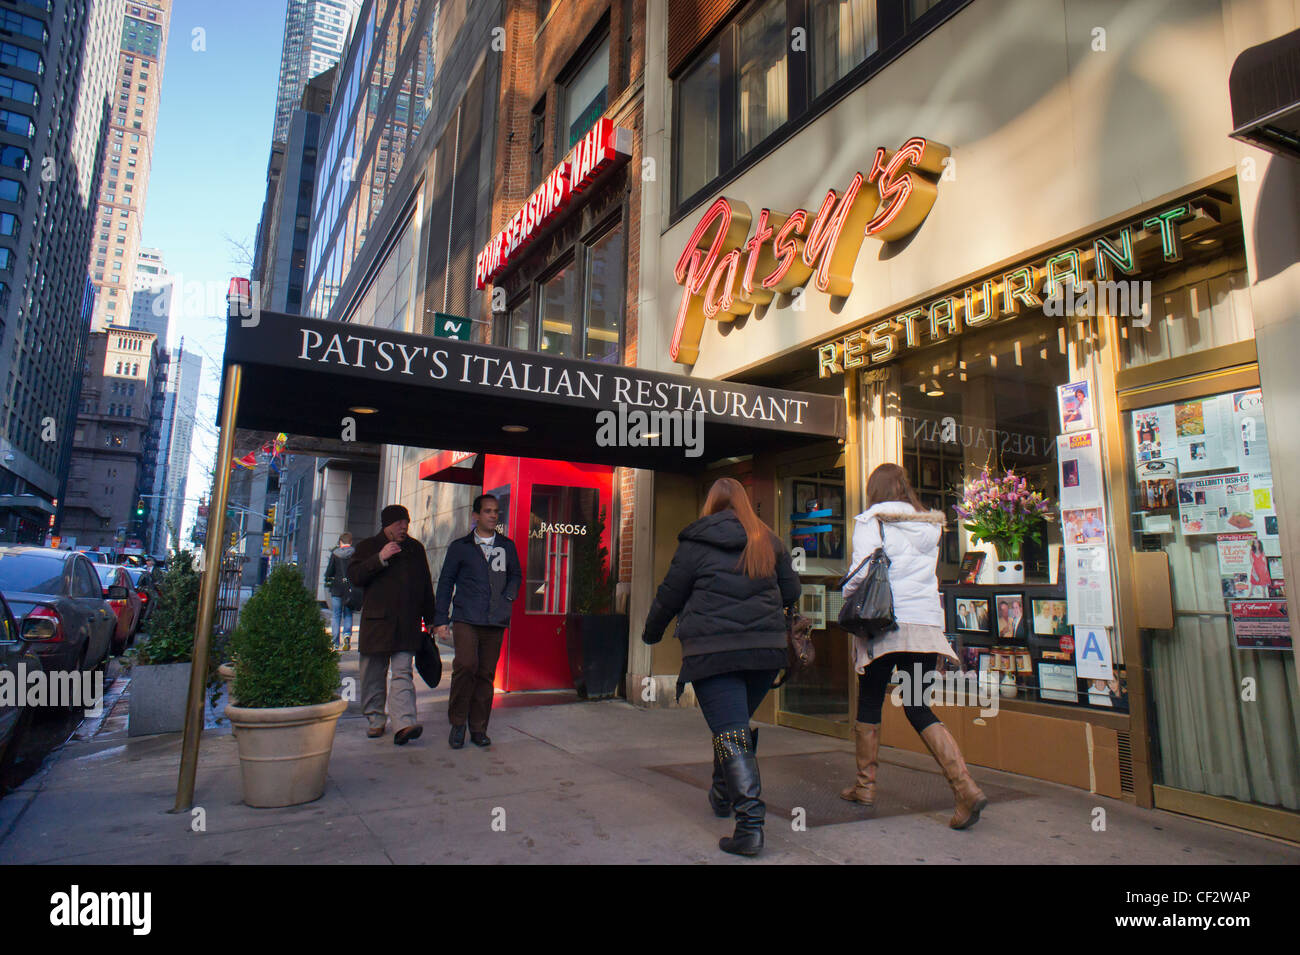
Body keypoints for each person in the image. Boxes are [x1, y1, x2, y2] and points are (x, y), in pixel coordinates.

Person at [642, 477, 800, 857]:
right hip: (765, 654)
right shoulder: (769, 540)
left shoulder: (695, 542)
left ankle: (750, 826)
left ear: (711, 504)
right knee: (733, 726)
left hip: (714, 653)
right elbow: (792, 592)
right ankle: (720, 792)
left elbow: (670, 594)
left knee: (730, 732)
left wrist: (651, 633)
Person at [839, 463, 988, 829]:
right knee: (918, 706)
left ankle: (866, 786)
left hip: (883, 624)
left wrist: (846, 604)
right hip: (925, 624)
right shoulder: (929, 525)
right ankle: (964, 787)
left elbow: (861, 574)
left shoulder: (871, 521)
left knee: (871, 700)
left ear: (875, 490)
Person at [433, 494, 521, 750]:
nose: (493, 515)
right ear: (476, 516)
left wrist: (508, 597)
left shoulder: (506, 546)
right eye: (487, 511)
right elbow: (446, 582)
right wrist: (441, 619)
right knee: (466, 665)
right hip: (466, 617)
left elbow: (515, 574)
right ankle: (458, 723)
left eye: (496, 512)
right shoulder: (460, 547)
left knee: (485, 674)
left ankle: (479, 728)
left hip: (495, 620)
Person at [348, 505, 438, 745]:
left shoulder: (416, 549)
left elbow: (425, 586)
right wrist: (380, 558)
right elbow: (355, 577)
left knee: (402, 674)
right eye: (399, 523)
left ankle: (404, 723)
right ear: (386, 525)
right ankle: (375, 719)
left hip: (406, 623)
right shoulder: (368, 546)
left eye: (406, 522)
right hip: (376, 623)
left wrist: (431, 619)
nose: (404, 527)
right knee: (373, 675)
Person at [323, 532, 356, 650]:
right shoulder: (355, 554)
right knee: (348, 614)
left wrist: (328, 577)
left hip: (337, 588)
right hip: (349, 588)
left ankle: (335, 642)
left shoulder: (335, 554)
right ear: (350, 542)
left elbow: (329, 571)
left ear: (340, 542)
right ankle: (347, 636)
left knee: (336, 615)